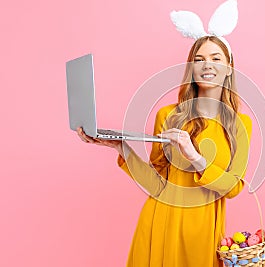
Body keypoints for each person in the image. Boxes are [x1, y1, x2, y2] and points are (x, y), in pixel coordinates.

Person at [77, 35, 252, 266]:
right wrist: (121, 147)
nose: (207, 64)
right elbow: (156, 184)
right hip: (160, 223)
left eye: (215, 58)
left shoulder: (240, 124)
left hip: (204, 232)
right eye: (198, 59)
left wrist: (195, 157)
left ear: (229, 68)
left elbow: (233, 188)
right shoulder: (169, 115)